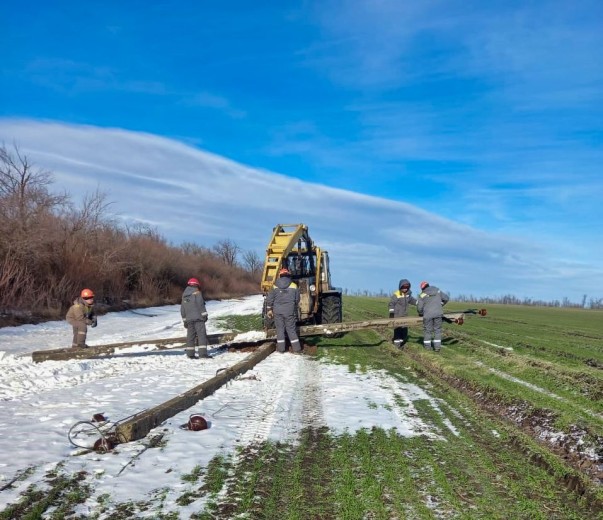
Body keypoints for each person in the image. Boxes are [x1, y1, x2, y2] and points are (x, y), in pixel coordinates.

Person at [266, 268, 302, 353]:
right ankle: (297, 349)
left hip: (277, 312)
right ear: (288, 275)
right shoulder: (294, 286)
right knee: (291, 330)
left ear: (280, 275)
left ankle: (281, 349)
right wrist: (293, 305)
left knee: (280, 330)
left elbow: (270, 299)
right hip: (289, 311)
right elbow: (297, 299)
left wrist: (269, 309)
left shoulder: (274, 286)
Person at [180, 278, 209, 359]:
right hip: (198, 318)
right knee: (201, 335)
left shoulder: (184, 295)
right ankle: (202, 354)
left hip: (189, 320)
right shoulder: (197, 292)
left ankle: (190, 354)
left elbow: (182, 310)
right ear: (197, 284)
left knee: (190, 337)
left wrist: (185, 321)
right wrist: (204, 315)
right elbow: (200, 305)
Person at [416, 281, 449, 352]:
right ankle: (437, 348)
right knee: (437, 330)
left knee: (428, 331)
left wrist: (421, 313)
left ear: (422, 288)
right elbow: (446, 298)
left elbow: (419, 308)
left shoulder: (422, 295)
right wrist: (441, 304)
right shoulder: (437, 290)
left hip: (427, 315)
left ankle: (427, 348)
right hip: (438, 314)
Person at [388, 278, 416, 349]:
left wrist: (419, 303)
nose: (405, 289)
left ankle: (401, 343)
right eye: (403, 287)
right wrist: (391, 313)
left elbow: (412, 300)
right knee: (397, 330)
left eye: (407, 287)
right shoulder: (396, 294)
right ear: (400, 287)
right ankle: (397, 345)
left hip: (405, 316)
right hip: (397, 315)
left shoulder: (408, 295)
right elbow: (391, 303)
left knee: (404, 330)